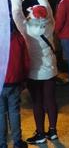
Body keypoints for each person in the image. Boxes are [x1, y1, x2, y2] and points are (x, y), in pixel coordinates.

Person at [10, 0, 59, 144]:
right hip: (50, 68)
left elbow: (17, 12)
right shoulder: (50, 24)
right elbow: (48, 9)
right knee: (50, 100)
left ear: (31, 14)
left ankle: (40, 133)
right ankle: (52, 131)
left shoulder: (26, 28)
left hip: (34, 72)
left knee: (37, 102)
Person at [1, 18, 30, 148]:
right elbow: (26, 61)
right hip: (14, 81)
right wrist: (24, 79)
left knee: (0, 113)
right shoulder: (18, 38)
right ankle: (17, 142)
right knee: (14, 111)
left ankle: (2, 143)